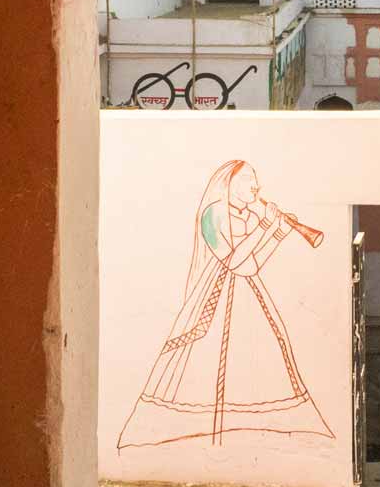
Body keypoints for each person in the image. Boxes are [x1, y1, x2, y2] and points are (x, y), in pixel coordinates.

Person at [118, 159, 332, 449]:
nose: (256, 187)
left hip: (248, 291)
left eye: (256, 181)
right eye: (249, 180)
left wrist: (278, 233)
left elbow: (251, 267)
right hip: (215, 296)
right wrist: (267, 225)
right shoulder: (213, 214)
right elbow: (232, 262)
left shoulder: (252, 217)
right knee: (205, 357)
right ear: (229, 183)